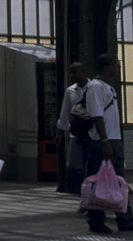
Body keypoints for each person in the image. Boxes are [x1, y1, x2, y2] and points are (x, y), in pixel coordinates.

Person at [83, 54, 133, 234]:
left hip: (111, 140)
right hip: (101, 142)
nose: (116, 70)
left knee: (118, 182)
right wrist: (105, 142)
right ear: (107, 66)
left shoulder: (107, 87)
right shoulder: (96, 87)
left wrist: (117, 142)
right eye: (115, 66)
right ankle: (97, 222)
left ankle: (124, 218)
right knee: (98, 181)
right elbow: (97, 116)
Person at [55, 62, 90, 195]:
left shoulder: (94, 88)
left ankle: (91, 194)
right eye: (71, 72)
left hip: (92, 133)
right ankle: (81, 191)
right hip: (76, 134)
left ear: (84, 72)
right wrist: (59, 133)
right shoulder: (70, 91)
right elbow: (64, 113)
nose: (73, 75)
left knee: (92, 166)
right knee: (73, 166)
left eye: (75, 72)